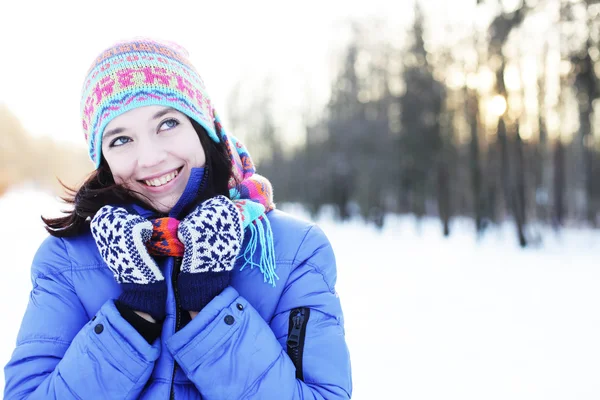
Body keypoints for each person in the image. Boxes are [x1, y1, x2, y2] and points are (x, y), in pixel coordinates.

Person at [3, 38, 352, 399]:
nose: (150, 157)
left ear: (203, 128)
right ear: (102, 157)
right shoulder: (65, 258)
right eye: (120, 140)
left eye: (167, 123)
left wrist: (210, 309)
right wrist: (133, 320)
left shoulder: (294, 250)